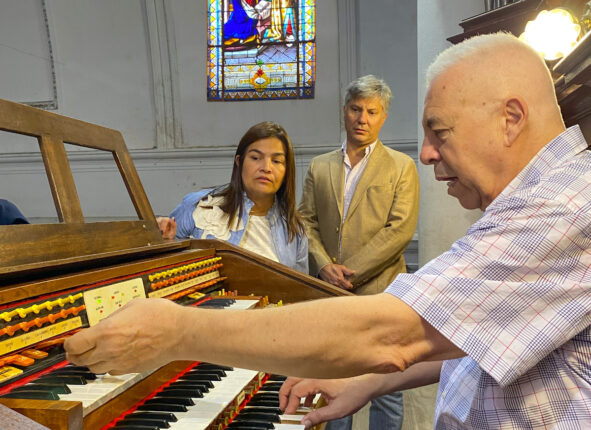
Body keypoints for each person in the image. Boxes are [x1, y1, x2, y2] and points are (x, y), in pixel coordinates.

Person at [65, 32, 591, 429]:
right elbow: (478, 334)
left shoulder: (564, 207)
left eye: (439, 131)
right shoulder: (544, 197)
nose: (428, 152)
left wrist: (178, 331)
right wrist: (368, 379)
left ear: (511, 118)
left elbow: (391, 332)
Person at [298, 74, 419, 429]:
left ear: (383, 117)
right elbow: (305, 222)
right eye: (355, 109)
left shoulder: (401, 166)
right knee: (335, 386)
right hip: (329, 294)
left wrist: (349, 272)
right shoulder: (320, 166)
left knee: (386, 388)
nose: (362, 118)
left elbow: (399, 230)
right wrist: (324, 266)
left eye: (371, 111)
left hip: (382, 294)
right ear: (344, 111)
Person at [157, 121, 308, 273]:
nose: (266, 168)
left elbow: (301, 285)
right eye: (256, 158)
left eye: (276, 161)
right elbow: (161, 264)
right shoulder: (199, 206)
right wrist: (159, 236)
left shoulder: (295, 229)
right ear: (239, 162)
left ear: (286, 171)